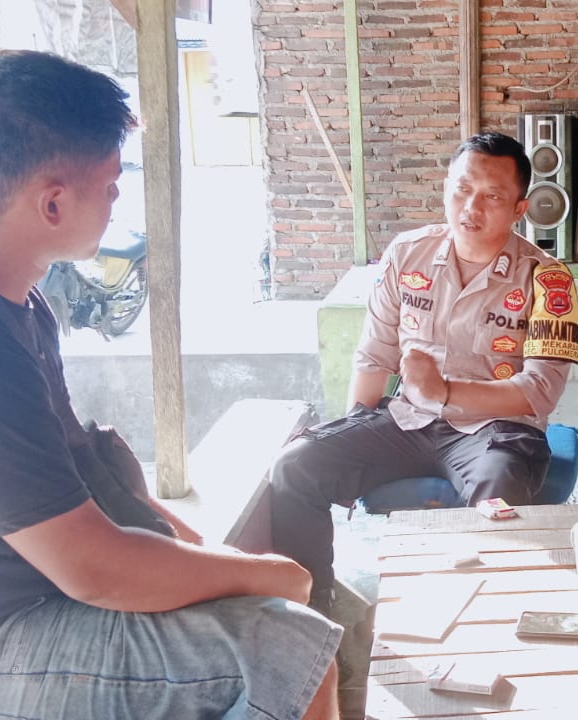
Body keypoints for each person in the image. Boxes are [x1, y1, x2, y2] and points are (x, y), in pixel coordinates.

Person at [0, 50, 341, 718]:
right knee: (288, 648)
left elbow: (90, 482)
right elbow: (93, 568)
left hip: (50, 591)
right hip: (22, 623)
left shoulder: (29, 308)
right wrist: (263, 573)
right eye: (110, 183)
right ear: (52, 202)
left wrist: (214, 555)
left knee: (285, 615)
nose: (116, 198)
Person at [270, 132, 578, 609]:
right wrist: (354, 432)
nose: (471, 207)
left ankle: (488, 617)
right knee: (295, 467)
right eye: (462, 189)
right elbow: (375, 356)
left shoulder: (548, 278)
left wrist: (445, 390)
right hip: (406, 421)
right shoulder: (406, 254)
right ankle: (312, 610)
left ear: (519, 209)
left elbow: (539, 391)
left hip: (496, 431)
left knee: (498, 497)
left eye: (492, 196)